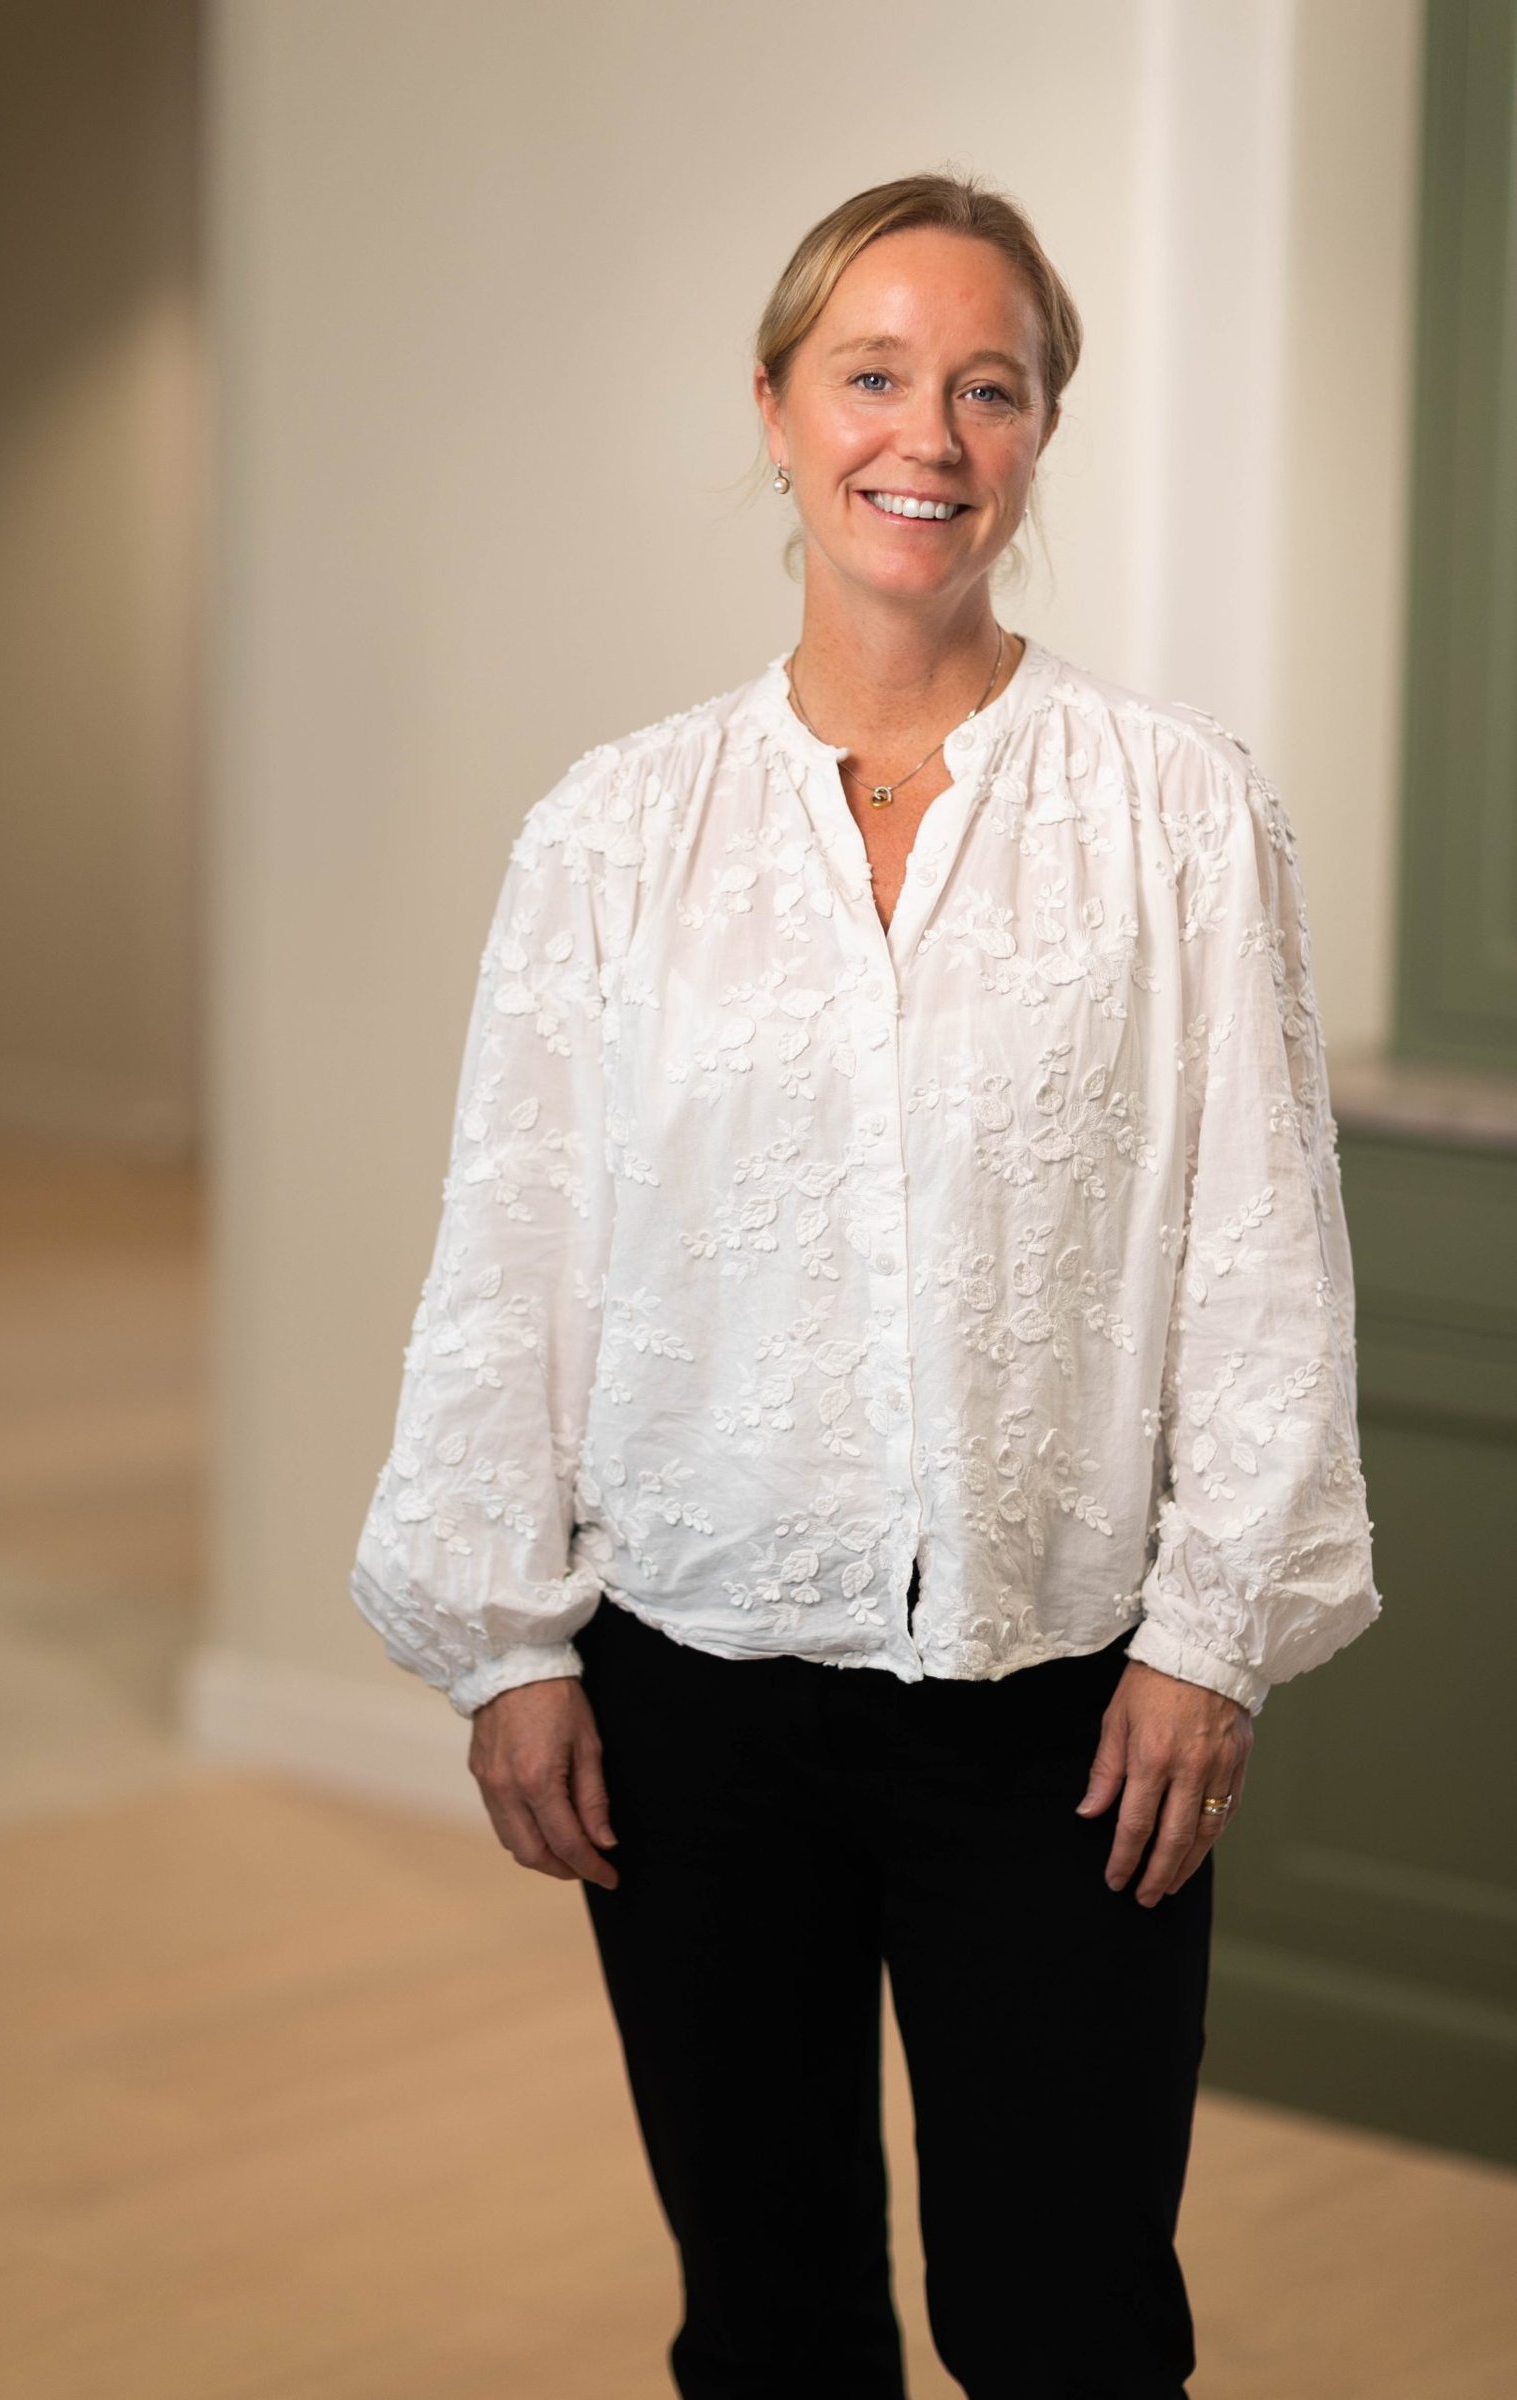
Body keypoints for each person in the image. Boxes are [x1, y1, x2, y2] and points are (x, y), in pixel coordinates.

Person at [349, 171, 1381, 2400]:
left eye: (985, 388)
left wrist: (1211, 1636)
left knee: (1070, 2323)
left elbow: (1257, 1249)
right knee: (769, 2316)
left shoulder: (1177, 810)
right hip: (692, 1689)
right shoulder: (612, 833)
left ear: (1034, 435)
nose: (927, 433)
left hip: (1063, 1707)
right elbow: (514, 1240)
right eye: (875, 376)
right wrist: (505, 1637)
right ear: (777, 410)